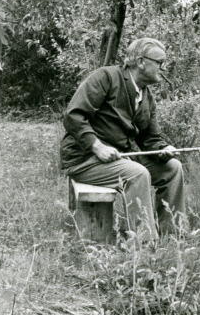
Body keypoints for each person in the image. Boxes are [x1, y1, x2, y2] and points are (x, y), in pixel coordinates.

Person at [61, 38, 185, 240]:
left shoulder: (146, 96)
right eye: (160, 62)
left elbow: (150, 139)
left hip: (121, 158)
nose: (164, 68)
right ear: (141, 62)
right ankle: (144, 243)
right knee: (137, 174)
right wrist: (97, 147)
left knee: (173, 168)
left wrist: (163, 149)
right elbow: (73, 115)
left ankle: (172, 236)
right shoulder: (105, 77)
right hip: (84, 159)